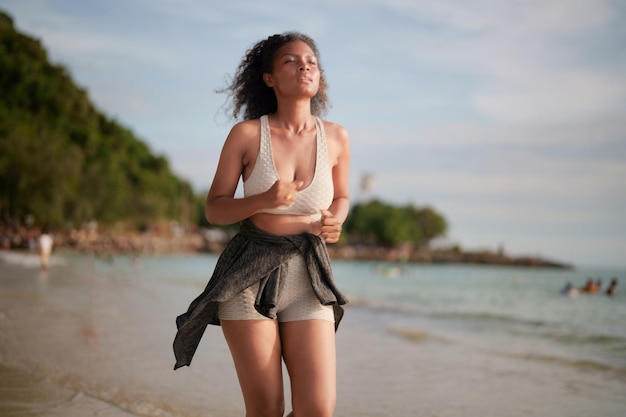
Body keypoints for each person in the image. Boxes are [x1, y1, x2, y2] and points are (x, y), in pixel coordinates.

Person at [173, 32, 350, 417]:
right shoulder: (247, 135)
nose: (304, 65)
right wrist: (263, 200)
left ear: (319, 75)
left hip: (310, 274)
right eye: (290, 60)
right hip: (249, 273)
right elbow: (215, 209)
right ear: (268, 77)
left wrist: (336, 220)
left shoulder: (336, 137)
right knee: (267, 408)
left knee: (319, 408)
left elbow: (342, 197)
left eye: (311, 61)